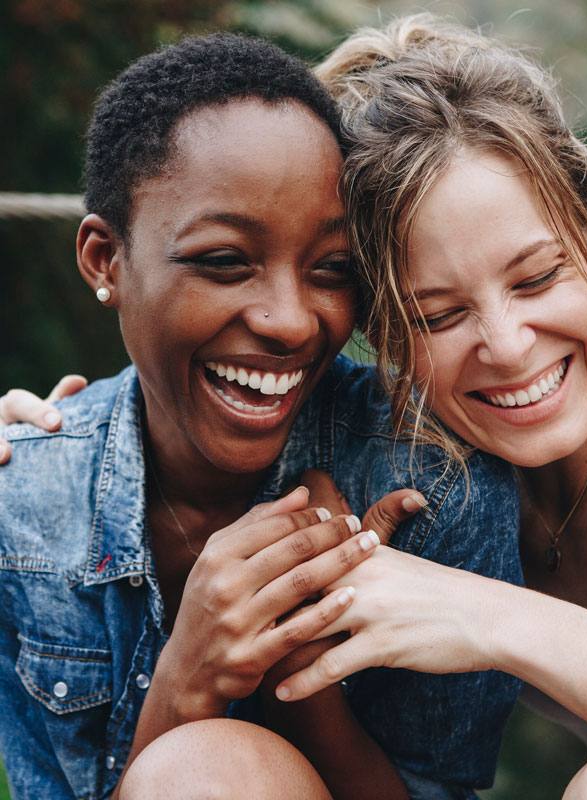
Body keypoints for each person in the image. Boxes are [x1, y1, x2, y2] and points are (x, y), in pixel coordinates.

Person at [266, 15, 587, 799]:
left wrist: (504, 622)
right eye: (439, 315)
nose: (509, 346)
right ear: (381, 337)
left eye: (537, 277)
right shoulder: (443, 485)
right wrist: (46, 439)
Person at [0, 32, 522, 800]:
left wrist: (303, 668)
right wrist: (188, 679)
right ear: (105, 260)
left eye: (332, 270)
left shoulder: (431, 483)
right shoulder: (25, 511)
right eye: (224, 261)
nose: (289, 321)